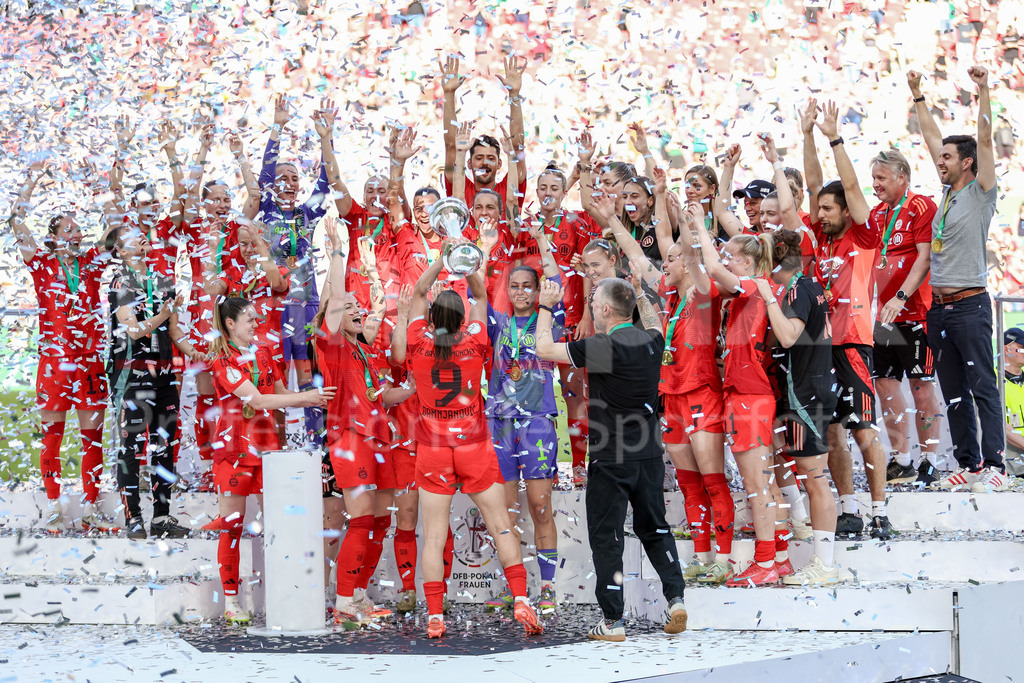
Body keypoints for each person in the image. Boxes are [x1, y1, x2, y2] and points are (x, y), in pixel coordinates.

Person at [391, 244, 543, 640]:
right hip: (473, 445)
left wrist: (440, 260)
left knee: (434, 536)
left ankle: (435, 616)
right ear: (462, 318)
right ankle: (521, 599)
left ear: (430, 318)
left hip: (433, 448)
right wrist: (464, 258)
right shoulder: (474, 338)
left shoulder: (417, 340)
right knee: (501, 526)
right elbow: (479, 293)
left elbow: (419, 292)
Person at [597, 176, 736, 586]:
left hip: (702, 393)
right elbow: (637, 258)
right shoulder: (669, 299)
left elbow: (693, 258)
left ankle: (725, 559)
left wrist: (692, 229)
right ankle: (702, 557)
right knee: (690, 484)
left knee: (713, 480)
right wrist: (613, 220)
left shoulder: (705, 296)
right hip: (671, 397)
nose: (665, 264)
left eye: (671, 259)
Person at [534, 276, 687, 642]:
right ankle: (676, 598)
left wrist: (545, 306)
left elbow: (542, 348)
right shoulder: (652, 342)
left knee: (608, 538)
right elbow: (655, 323)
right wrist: (640, 294)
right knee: (656, 528)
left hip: (610, 458)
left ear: (605, 309)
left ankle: (613, 621)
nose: (590, 307)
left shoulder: (602, 346)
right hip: (649, 455)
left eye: (593, 303)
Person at [908, 66, 1007, 492]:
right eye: (940, 157)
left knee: (983, 385)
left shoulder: (981, 191)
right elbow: (932, 138)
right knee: (953, 391)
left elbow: (984, 140)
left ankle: (997, 465)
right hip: (939, 309)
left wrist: (983, 89)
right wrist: (917, 94)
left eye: (947, 158)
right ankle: (969, 463)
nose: (940, 161)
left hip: (970, 304)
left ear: (966, 162)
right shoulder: (947, 193)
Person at [208, 296, 333, 625]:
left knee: (278, 525)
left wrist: (312, 399)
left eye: (256, 318)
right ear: (230, 324)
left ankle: (284, 597)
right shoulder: (222, 359)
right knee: (232, 527)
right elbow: (259, 400)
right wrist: (306, 397)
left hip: (268, 451)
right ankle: (232, 601)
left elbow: (280, 396)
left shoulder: (263, 352)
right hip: (234, 451)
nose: (256, 324)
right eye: (249, 319)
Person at [802, 99, 891, 539]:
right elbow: (813, 184)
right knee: (834, 434)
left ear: (844, 210)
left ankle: (880, 511)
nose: (819, 215)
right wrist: (806, 136)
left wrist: (834, 138)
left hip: (853, 343)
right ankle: (850, 509)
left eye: (827, 209)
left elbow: (851, 187)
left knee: (863, 433)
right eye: (818, 209)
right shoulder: (820, 237)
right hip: (821, 348)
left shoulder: (863, 233)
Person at [13, 161, 115, 533]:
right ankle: (54, 506)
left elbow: (116, 227)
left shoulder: (91, 263)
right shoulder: (40, 264)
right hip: (54, 362)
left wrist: (107, 184)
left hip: (89, 362)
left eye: (78, 228)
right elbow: (16, 221)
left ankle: (90, 509)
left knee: (93, 439)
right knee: (51, 439)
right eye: (68, 229)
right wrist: (32, 179)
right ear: (54, 236)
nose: (77, 233)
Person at [317, 217, 410, 624]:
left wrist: (415, 389)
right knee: (360, 520)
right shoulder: (333, 344)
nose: (357, 311)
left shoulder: (364, 351)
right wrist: (338, 252)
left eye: (359, 309)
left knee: (380, 520)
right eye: (349, 309)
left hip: (378, 439)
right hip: (350, 439)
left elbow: (382, 395)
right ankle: (343, 604)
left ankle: (358, 593)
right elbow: (337, 300)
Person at [755, 230, 847, 585]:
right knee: (797, 467)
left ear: (773, 260)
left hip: (806, 394)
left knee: (815, 478)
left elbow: (788, 336)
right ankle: (803, 527)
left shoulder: (799, 290)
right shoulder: (804, 286)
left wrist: (767, 298)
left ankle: (825, 564)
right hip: (803, 391)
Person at [691, 225, 781, 586]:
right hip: (743, 395)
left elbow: (713, 268)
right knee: (763, 483)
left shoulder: (755, 286)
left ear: (746, 263)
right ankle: (779, 558)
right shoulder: (743, 295)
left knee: (756, 484)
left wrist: (700, 226)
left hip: (750, 397)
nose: (724, 263)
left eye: (730, 257)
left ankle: (765, 562)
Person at [484, 219, 564, 615]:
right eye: (513, 286)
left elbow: (556, 279)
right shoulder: (497, 323)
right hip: (500, 422)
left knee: (540, 506)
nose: (519, 292)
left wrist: (543, 239)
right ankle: (513, 587)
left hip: (537, 421)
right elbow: (474, 287)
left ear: (537, 290)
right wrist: (484, 250)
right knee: (506, 510)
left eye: (527, 286)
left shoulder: (550, 318)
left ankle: (547, 586)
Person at [109, 225, 201, 539]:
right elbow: (134, 331)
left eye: (141, 233)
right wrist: (164, 313)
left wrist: (195, 351)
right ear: (121, 251)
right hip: (131, 378)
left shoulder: (162, 280)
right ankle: (133, 517)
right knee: (131, 449)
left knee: (164, 447)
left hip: (164, 377)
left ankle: (161, 517)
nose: (141, 237)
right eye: (131, 236)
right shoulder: (120, 282)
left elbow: (173, 331)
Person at [513, 163, 597, 488]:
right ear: (536, 191)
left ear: (564, 192)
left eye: (554, 188)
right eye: (543, 188)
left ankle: (578, 466)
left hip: (570, 322)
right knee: (531, 395)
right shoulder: (526, 227)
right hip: (532, 325)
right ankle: (534, 467)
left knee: (574, 395)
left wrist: (587, 315)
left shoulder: (577, 223)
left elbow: (586, 270)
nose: (548, 193)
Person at [257, 96, 336, 440]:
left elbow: (325, 184)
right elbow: (264, 174)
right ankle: (274, 447)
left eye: (294, 177)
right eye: (283, 178)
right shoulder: (266, 211)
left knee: (309, 379)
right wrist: (277, 127)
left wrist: (325, 137)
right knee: (274, 379)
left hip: (307, 307)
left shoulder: (307, 214)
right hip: (274, 310)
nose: (289, 183)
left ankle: (315, 445)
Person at [865, 148, 943, 488]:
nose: (875, 184)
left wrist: (900, 297)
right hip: (884, 316)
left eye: (881, 178)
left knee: (921, 387)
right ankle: (902, 460)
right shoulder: (876, 213)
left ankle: (930, 460)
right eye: (873, 178)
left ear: (902, 177)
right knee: (885, 385)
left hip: (916, 312)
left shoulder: (920, 206)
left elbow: (924, 258)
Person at [441, 55, 528, 209]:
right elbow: (451, 146)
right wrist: (448, 93)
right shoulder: (459, 187)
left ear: (499, 164)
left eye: (491, 158)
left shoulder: (510, 189)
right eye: (479, 157)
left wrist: (514, 95)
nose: (484, 162)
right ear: (469, 163)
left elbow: (518, 148)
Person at [1001, 328, 1024, 476]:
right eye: (1021, 348)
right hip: (1009, 469)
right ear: (1006, 349)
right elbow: (1000, 426)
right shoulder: (992, 383)